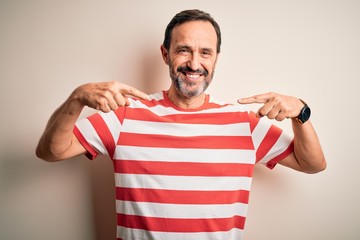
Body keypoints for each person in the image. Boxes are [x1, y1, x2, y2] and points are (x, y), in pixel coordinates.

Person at [36, 9, 326, 240]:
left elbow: (311, 163)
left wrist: (300, 113)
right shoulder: (126, 115)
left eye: (205, 52)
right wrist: (76, 99)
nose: (194, 63)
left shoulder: (244, 124)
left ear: (216, 59)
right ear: (166, 54)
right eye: (184, 50)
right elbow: (51, 151)